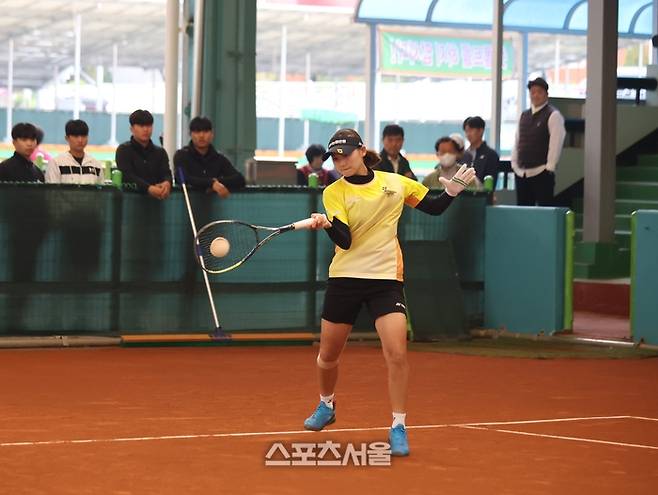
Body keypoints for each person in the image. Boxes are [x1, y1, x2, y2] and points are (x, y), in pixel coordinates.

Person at [303, 128, 475, 456]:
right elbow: (346, 240)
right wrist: (328, 225)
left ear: (362, 151)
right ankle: (326, 404)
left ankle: (398, 425)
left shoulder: (396, 183)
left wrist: (450, 193)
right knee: (328, 356)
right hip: (345, 278)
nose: (340, 162)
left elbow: (435, 207)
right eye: (335, 157)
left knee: (397, 352)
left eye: (345, 154)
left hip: (385, 279)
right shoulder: (333, 191)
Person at [511, 77, 566, 206]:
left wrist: (550, 167)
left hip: (542, 172)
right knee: (523, 211)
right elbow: (517, 140)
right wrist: (514, 164)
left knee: (543, 211)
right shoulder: (523, 115)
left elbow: (556, 142)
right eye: (533, 92)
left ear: (546, 94)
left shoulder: (553, 115)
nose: (535, 95)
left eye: (539, 92)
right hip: (522, 173)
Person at [173, 117, 245, 197]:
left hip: (215, 207)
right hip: (186, 203)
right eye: (197, 131)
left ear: (212, 134)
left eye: (206, 131)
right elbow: (182, 178)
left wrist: (217, 183)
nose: (201, 135)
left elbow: (240, 179)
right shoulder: (182, 155)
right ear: (190, 134)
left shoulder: (218, 158)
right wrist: (211, 183)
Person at [115, 109, 172, 200]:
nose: (145, 129)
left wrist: (167, 183)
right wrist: (149, 188)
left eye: (149, 125)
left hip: (157, 203)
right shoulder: (124, 150)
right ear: (132, 129)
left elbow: (166, 173)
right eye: (141, 126)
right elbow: (127, 175)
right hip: (130, 201)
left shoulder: (160, 152)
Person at [46, 120, 104, 184]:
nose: (80, 140)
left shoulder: (96, 165)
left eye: (84, 136)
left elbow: (100, 191)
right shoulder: (56, 163)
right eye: (76, 136)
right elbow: (52, 191)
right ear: (67, 138)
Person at [463, 116, 500, 187]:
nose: (468, 134)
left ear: (481, 131)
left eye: (471, 130)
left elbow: (491, 180)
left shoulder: (491, 154)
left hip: (482, 194)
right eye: (466, 131)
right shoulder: (464, 154)